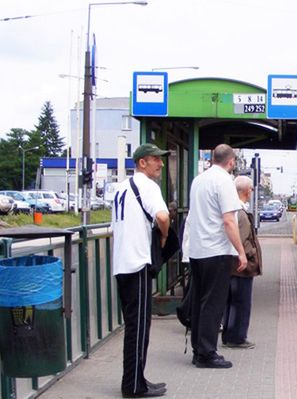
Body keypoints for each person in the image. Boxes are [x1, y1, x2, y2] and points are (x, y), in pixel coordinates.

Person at [111, 143, 170, 398]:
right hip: (137, 263)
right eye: (156, 160)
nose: (161, 164)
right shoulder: (148, 186)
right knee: (139, 327)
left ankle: (137, 379)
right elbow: (163, 217)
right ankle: (133, 386)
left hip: (122, 263)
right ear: (142, 163)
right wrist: (165, 237)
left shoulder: (119, 188)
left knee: (134, 325)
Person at [187, 144, 247, 369]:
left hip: (197, 251)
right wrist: (241, 252)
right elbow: (229, 221)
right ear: (231, 162)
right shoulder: (224, 181)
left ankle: (198, 350)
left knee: (199, 302)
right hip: (217, 251)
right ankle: (207, 354)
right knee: (213, 303)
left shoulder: (199, 180)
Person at [222, 176, 262, 349]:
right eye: (251, 189)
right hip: (241, 265)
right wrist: (249, 254)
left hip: (233, 264)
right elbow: (243, 238)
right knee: (241, 302)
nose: (252, 191)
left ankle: (229, 335)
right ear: (247, 191)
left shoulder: (233, 209)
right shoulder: (240, 212)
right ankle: (237, 337)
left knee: (231, 301)